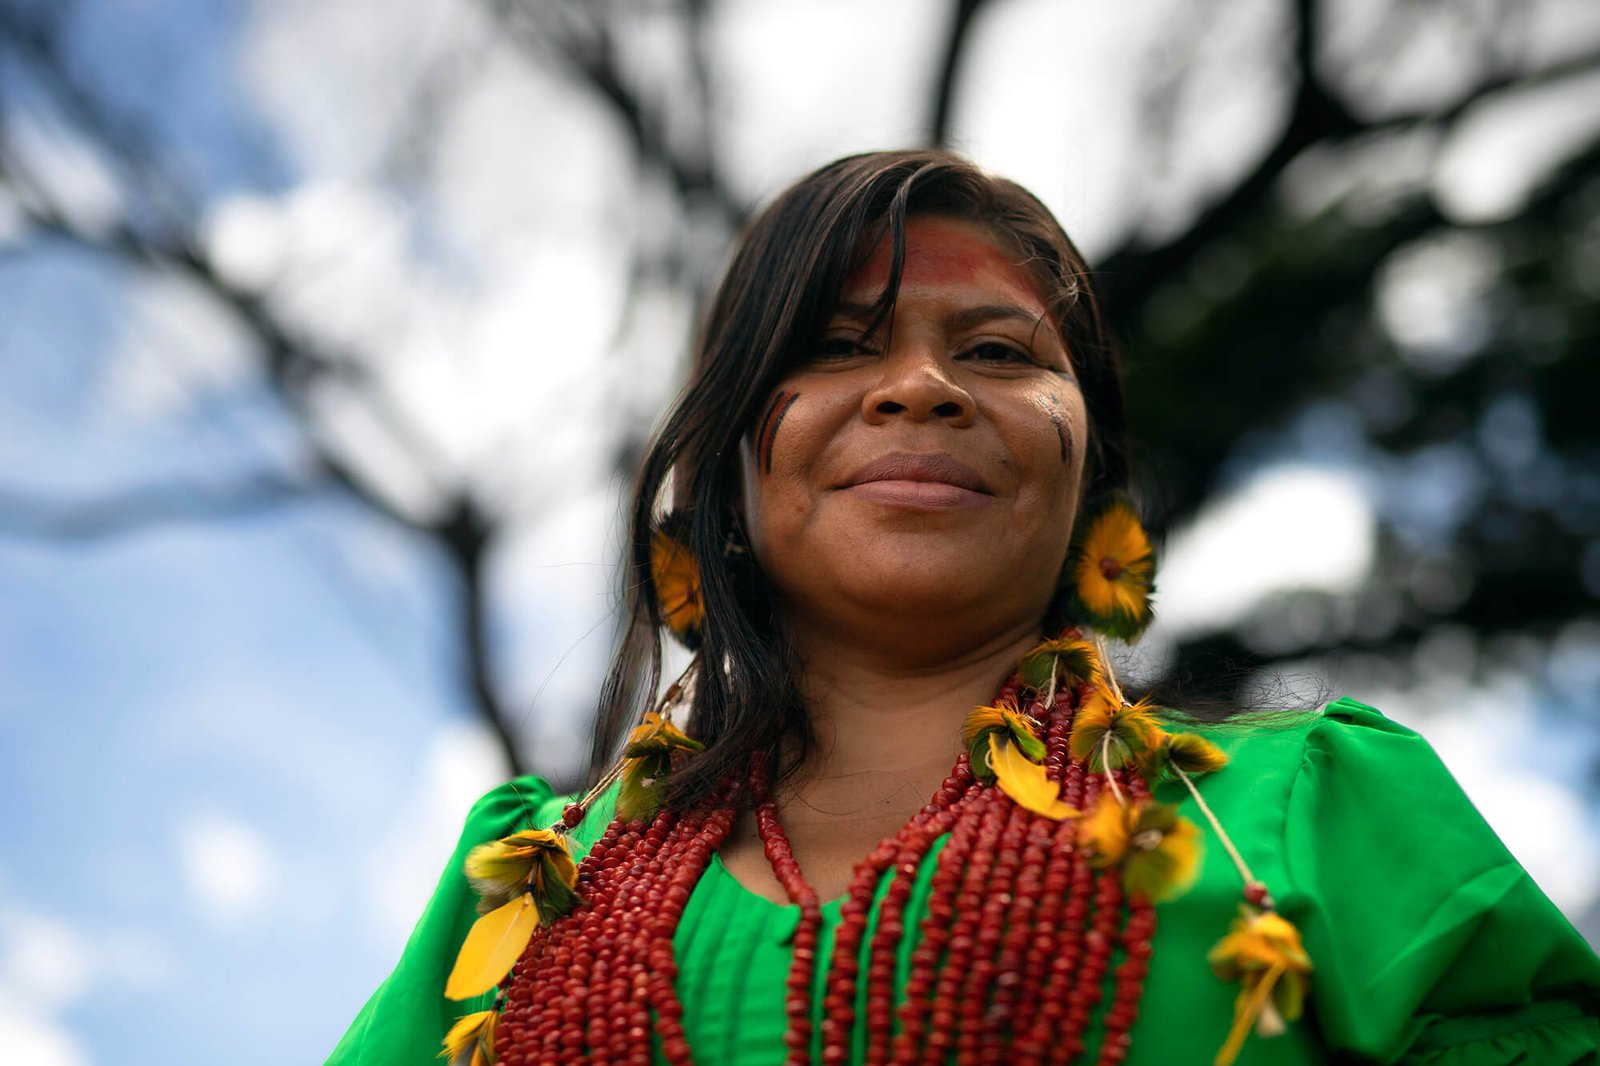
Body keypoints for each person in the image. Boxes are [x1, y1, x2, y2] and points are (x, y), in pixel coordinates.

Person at [327, 150, 1600, 1066]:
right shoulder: (523, 890)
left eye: (998, 352)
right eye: (834, 345)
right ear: (727, 468)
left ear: (1084, 474)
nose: (922, 388)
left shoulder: (1308, 818)